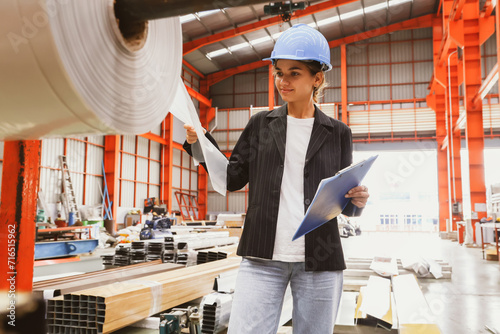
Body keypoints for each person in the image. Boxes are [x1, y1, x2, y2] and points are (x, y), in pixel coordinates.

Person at [183, 24, 369, 334]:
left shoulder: (338, 133)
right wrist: (200, 144)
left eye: (294, 73)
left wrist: (357, 202)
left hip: (320, 258)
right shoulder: (261, 125)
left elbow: (343, 199)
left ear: (317, 78)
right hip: (262, 257)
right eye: (279, 72)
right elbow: (231, 179)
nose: (283, 80)